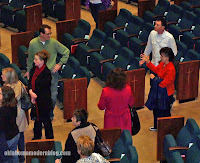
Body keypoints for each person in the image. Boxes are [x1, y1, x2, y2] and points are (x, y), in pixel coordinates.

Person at [25, 24, 70, 120]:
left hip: (51, 74)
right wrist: (29, 71)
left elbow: (66, 51)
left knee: (53, 97)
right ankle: (39, 115)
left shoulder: (53, 42)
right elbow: (30, 59)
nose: (49, 36)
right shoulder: (33, 43)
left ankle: (50, 114)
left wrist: (60, 64)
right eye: (47, 34)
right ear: (41, 34)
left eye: (50, 33)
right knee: (39, 97)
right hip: (38, 74)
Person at [141, 47, 176, 131]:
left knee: (164, 111)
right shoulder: (162, 64)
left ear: (167, 57)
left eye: (162, 56)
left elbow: (165, 83)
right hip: (159, 91)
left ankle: (166, 128)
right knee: (156, 109)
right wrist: (148, 62)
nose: (160, 57)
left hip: (166, 93)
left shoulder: (171, 68)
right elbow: (156, 70)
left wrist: (154, 79)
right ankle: (157, 126)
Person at [1, 67, 28, 163]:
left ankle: (21, 158)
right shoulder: (16, 84)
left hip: (17, 115)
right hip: (15, 114)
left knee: (19, 138)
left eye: (3, 75)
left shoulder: (11, 89)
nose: (1, 76)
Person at [98, 67, 135, 134]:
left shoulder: (106, 91)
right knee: (125, 138)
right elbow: (131, 103)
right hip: (125, 118)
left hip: (110, 119)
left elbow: (101, 106)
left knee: (111, 138)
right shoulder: (128, 89)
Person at [28, 50, 54, 139]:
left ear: (42, 61)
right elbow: (30, 82)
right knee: (37, 120)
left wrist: (34, 95)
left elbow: (43, 88)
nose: (34, 61)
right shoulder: (33, 69)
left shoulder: (46, 73)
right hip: (35, 99)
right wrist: (31, 91)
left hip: (43, 101)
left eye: (36, 59)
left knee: (46, 121)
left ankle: (50, 139)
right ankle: (37, 137)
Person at [0, 86, 20, 163]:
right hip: (15, 133)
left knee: (6, 158)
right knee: (14, 154)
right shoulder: (13, 105)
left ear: (5, 97)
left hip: (7, 138)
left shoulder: (3, 110)